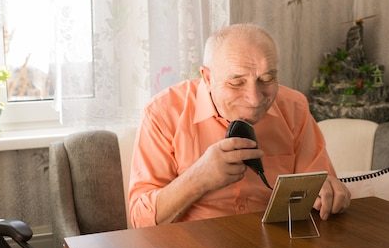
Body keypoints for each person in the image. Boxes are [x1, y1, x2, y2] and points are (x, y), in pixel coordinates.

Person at [128, 23, 351, 228]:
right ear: (207, 78)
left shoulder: (295, 108)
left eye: (266, 79)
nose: (255, 99)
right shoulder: (163, 113)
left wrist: (329, 193)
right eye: (236, 83)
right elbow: (141, 220)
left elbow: (320, 189)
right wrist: (198, 178)